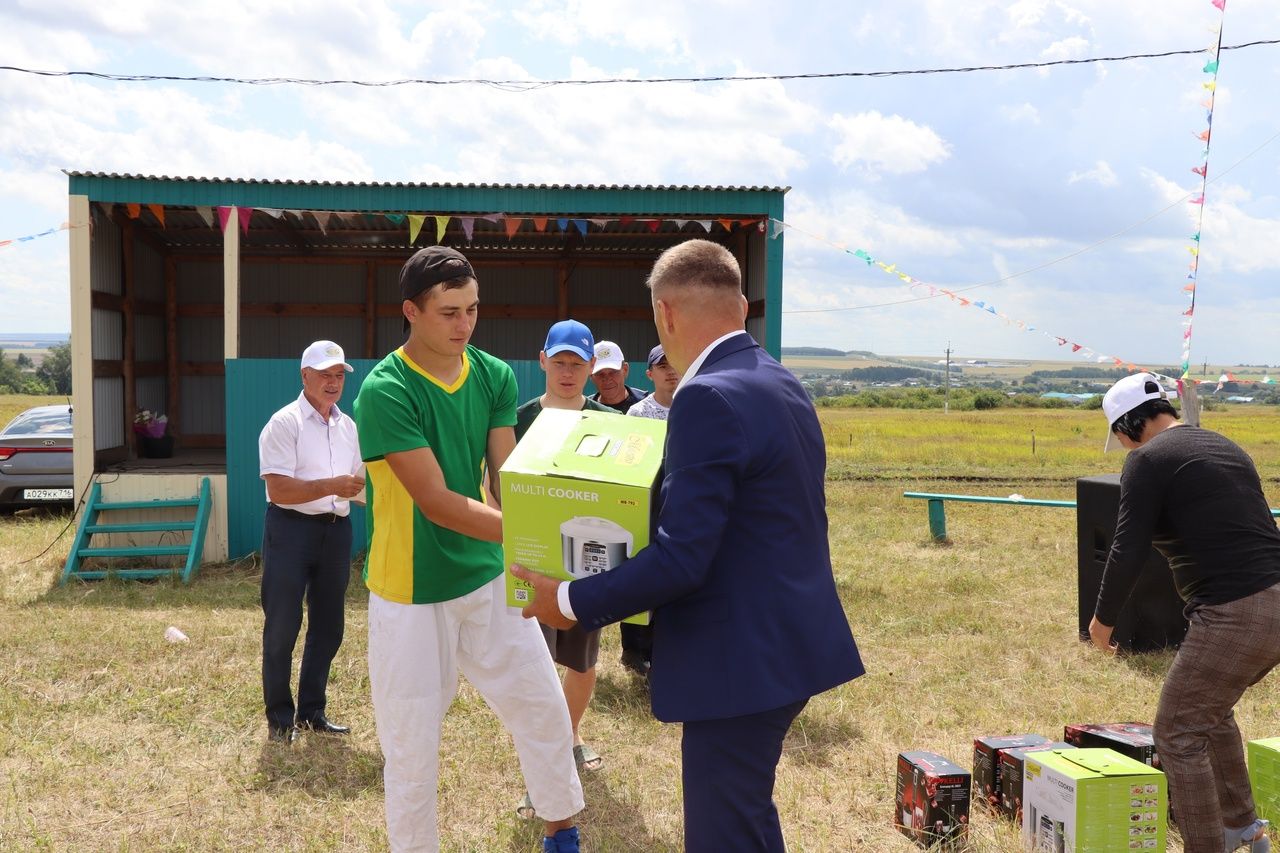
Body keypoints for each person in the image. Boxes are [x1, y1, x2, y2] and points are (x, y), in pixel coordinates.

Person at [513, 239, 864, 852]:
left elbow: (682, 557)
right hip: (788, 645)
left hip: (740, 659)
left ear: (666, 314)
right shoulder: (780, 381)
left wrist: (567, 598)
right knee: (746, 815)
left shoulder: (707, 397)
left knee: (722, 831)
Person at [354, 246, 583, 853]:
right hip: (410, 588)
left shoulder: (493, 374)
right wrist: (537, 535)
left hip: (486, 575)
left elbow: (508, 477)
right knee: (411, 747)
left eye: (473, 310)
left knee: (542, 708)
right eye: (449, 312)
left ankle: (562, 831)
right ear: (411, 311)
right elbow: (435, 500)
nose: (464, 325)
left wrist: (550, 526)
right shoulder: (385, 389)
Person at [1088, 372, 1280, 853]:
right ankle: (1243, 827)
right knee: (1210, 713)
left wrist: (1101, 621)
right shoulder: (1222, 445)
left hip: (1238, 609)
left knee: (1176, 730)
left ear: (1129, 426)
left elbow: (1126, 549)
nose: (1124, 445)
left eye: (1120, 436)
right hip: (1273, 596)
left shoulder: (1148, 459)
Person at [512, 319, 613, 808]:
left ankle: (568, 737)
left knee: (582, 658)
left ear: (592, 367)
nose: (568, 372)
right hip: (531, 556)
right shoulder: (519, 419)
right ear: (542, 361)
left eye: (577, 364)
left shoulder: (606, 422)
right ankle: (545, 763)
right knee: (535, 662)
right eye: (559, 363)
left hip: (586, 558)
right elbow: (496, 484)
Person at [257, 340, 365, 744]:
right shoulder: (284, 423)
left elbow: (357, 484)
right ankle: (280, 719)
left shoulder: (348, 426)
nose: (334, 382)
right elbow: (280, 490)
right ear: (305, 376)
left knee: (329, 626)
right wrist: (333, 485)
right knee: (283, 625)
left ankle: (312, 712)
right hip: (291, 529)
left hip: (336, 532)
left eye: (339, 375)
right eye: (325, 375)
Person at [589, 340, 646, 414]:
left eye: (613, 372)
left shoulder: (646, 405)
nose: (607, 379)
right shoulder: (584, 410)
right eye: (600, 373)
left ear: (625, 370)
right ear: (591, 376)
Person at [626, 344, 679, 421]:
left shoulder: (695, 408)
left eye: (675, 364)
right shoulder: (638, 413)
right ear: (650, 374)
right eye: (663, 366)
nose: (671, 371)